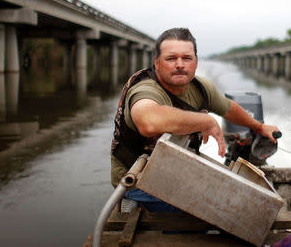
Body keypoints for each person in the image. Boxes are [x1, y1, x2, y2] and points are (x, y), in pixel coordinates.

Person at [111, 27, 280, 211]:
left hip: (180, 171)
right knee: (230, 208)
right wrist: (205, 121)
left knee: (251, 196)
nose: (180, 64)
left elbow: (228, 108)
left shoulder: (200, 87)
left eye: (186, 58)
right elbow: (148, 122)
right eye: (171, 58)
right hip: (139, 182)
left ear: (196, 62)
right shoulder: (145, 89)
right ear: (157, 63)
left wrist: (259, 127)